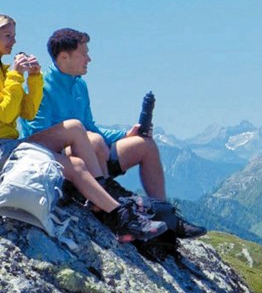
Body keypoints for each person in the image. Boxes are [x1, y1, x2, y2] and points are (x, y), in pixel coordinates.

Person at [24, 26, 206, 239]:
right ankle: (109, 208)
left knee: (143, 144)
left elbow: (91, 126)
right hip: (68, 163)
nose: (89, 59)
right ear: (64, 57)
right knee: (91, 140)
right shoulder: (42, 86)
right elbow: (37, 134)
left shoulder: (80, 86)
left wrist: (125, 135)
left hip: (94, 155)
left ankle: (165, 216)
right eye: (84, 53)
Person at [0, 14, 166, 242]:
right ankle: (114, 207)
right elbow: (7, 114)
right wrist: (17, 77)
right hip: (10, 147)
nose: (14, 42)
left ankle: (135, 212)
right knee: (84, 136)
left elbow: (26, 110)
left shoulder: (76, 85)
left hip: (20, 144)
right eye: (8, 35)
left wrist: (34, 78)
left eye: (14, 35)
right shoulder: (11, 75)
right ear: (64, 56)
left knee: (84, 148)